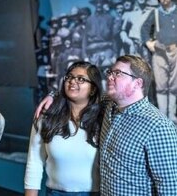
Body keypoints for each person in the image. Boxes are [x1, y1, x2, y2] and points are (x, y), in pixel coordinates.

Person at [36, 55, 177, 195]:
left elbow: (170, 188)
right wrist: (53, 95)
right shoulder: (108, 105)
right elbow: (80, 94)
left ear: (138, 83)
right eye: (110, 72)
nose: (110, 77)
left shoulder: (158, 127)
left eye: (118, 74)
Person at [25, 61, 103, 196]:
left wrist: (52, 94)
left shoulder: (104, 119)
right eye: (69, 77)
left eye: (81, 79)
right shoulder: (45, 116)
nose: (73, 81)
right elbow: (34, 163)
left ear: (93, 89)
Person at [141, 0, 177, 123]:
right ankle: (163, 115)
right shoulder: (155, 13)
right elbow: (144, 30)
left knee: (174, 84)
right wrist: (150, 43)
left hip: (176, 52)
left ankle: (172, 114)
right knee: (161, 85)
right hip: (160, 53)